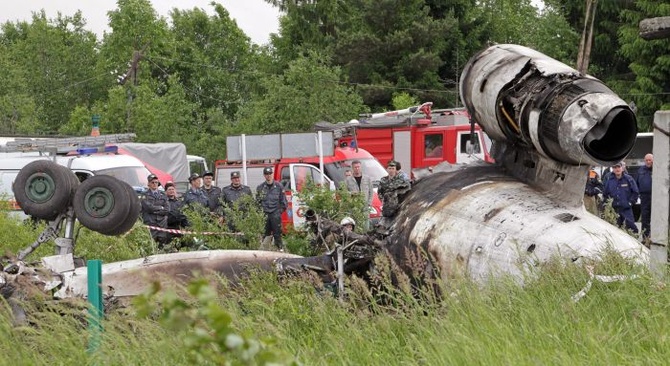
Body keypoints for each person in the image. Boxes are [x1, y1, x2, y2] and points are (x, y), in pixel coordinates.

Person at [603, 161, 639, 235]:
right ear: (612, 169)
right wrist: (608, 205)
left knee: (631, 229)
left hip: (626, 210)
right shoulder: (609, 180)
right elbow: (605, 194)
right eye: (615, 167)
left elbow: (635, 192)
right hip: (614, 210)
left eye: (618, 167)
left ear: (622, 168)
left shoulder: (628, 179)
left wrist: (630, 202)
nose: (617, 169)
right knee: (615, 231)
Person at [256, 167, 288, 250]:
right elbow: (257, 203)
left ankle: (280, 250)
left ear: (272, 174)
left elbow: (284, 202)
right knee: (265, 235)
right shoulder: (260, 188)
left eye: (270, 174)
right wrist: (261, 213)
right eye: (266, 174)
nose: (268, 176)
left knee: (277, 235)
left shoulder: (279, 186)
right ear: (264, 175)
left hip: (275, 215)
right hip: (265, 215)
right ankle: (264, 254)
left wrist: (278, 212)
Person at [140, 174, 170, 246]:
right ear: (149, 184)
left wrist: (155, 210)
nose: (154, 184)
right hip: (151, 223)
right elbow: (148, 208)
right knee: (151, 244)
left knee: (162, 244)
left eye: (156, 182)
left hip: (162, 224)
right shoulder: (144, 195)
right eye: (152, 182)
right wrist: (160, 207)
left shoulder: (163, 195)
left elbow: (167, 210)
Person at [635, 153, 653, 240]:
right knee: (645, 218)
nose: (648, 162)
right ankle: (645, 239)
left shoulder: (657, 169)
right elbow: (636, 183)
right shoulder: (640, 170)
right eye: (646, 160)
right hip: (644, 197)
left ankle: (655, 239)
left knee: (656, 218)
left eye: (650, 160)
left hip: (655, 197)